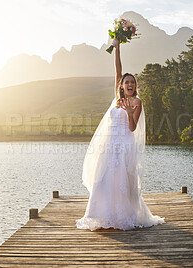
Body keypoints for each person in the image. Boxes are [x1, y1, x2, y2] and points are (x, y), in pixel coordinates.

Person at [76, 39, 165, 231]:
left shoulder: (136, 102)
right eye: (127, 82)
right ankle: (101, 215)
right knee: (104, 178)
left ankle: (123, 216)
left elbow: (133, 128)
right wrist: (117, 48)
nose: (130, 84)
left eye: (133, 82)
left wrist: (128, 112)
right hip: (109, 145)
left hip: (125, 145)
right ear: (122, 85)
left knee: (121, 179)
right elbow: (118, 70)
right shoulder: (117, 99)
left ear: (135, 86)